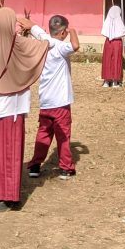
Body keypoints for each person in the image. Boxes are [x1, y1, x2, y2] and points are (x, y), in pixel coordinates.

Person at [0, 8, 50, 210]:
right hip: (13, 111)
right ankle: (6, 198)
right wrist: (34, 28)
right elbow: (48, 44)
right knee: (9, 152)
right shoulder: (20, 44)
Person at [27, 15, 80, 179]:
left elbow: (30, 25)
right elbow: (75, 46)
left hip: (45, 100)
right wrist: (73, 30)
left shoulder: (45, 41)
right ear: (63, 31)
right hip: (61, 102)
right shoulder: (61, 47)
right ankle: (65, 167)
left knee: (43, 133)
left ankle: (35, 165)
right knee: (63, 135)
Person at [100, 5, 125, 88]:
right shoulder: (119, 21)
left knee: (107, 60)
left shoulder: (107, 21)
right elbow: (123, 32)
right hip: (117, 43)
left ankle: (107, 81)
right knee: (116, 60)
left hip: (108, 42)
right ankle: (115, 82)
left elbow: (104, 32)